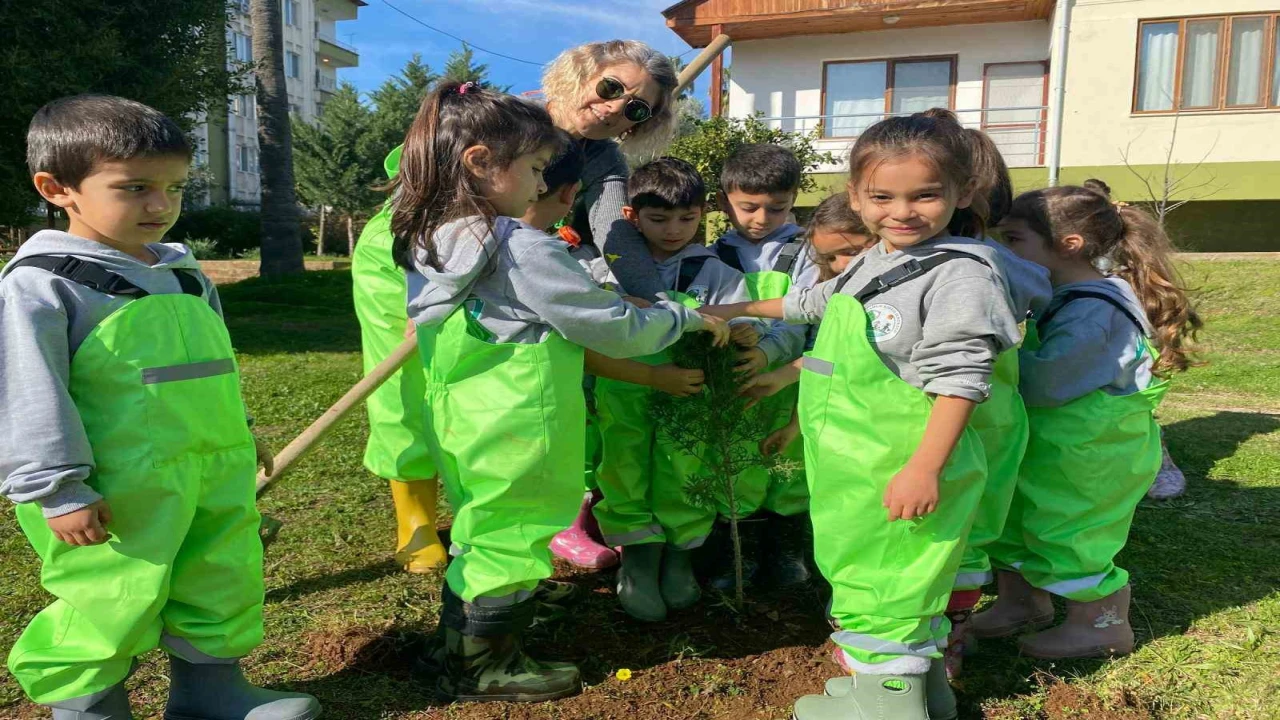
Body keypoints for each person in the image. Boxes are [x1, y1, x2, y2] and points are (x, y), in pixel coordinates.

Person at [390, 83, 728, 703]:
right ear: (482, 164)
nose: (543, 185)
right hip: (522, 420)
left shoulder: (431, 232)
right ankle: (485, 665)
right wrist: (683, 318)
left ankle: (453, 647)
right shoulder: (518, 246)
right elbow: (613, 328)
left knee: (481, 526)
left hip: (466, 415)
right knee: (515, 534)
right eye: (538, 169)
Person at [0, 95, 320, 720]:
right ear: (57, 187)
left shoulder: (185, 273)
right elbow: (26, 390)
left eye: (175, 187)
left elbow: (214, 367)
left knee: (219, 574)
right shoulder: (43, 284)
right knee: (108, 595)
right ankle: (89, 709)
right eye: (135, 187)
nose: (161, 205)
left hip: (211, 469)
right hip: (115, 490)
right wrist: (56, 486)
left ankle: (211, 695)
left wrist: (242, 433)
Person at [702, 112, 1022, 720]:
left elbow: (960, 379)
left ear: (960, 194)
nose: (902, 211)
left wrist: (925, 467)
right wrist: (731, 309)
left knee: (888, 584)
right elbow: (810, 301)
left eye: (925, 195)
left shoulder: (960, 274)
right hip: (859, 462)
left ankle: (888, 705)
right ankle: (922, 692)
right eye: (882, 196)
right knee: (885, 579)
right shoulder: (878, 259)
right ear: (856, 196)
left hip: (900, 462)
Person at [971, 180, 1201, 660]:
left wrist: (987, 361)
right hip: (1057, 451)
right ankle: (1022, 603)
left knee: (1069, 535)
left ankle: (1101, 624)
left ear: (1068, 245)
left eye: (1013, 240)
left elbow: (1048, 383)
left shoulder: (1093, 311)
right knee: (1019, 522)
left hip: (1089, 459)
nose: (1002, 251)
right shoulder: (1070, 295)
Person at [589, 157, 764, 622]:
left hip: (692, 391)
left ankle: (680, 553)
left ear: (703, 214)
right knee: (623, 462)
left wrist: (744, 330)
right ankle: (638, 557)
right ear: (631, 216)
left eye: (687, 219)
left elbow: (740, 314)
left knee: (684, 464)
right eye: (659, 219)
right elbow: (584, 321)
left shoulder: (716, 271)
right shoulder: (607, 268)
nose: (674, 230)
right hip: (622, 388)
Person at [937, 119, 1053, 678]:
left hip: (952, 413)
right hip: (998, 413)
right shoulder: (1009, 262)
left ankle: (939, 640)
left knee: (944, 532)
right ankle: (953, 640)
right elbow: (1040, 294)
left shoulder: (957, 262)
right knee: (974, 532)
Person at [705, 144, 817, 590]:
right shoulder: (714, 255)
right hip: (733, 377)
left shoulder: (805, 251)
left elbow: (803, 314)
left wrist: (768, 354)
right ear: (724, 200)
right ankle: (739, 551)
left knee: (788, 463)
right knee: (735, 461)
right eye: (748, 207)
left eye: (777, 208)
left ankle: (787, 548)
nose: (762, 218)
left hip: (791, 376)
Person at [352, 143, 449, 574]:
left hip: (475, 240)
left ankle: (475, 511)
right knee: (401, 388)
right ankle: (416, 522)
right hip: (401, 240)